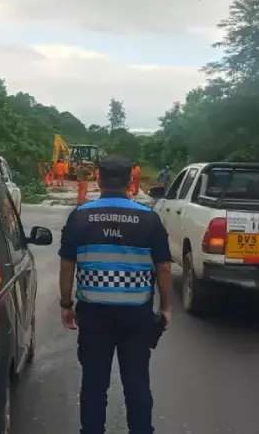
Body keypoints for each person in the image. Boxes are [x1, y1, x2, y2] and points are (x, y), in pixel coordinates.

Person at [58, 155, 173, 434]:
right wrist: (166, 307)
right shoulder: (148, 218)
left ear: (98, 178)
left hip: (93, 313)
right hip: (136, 313)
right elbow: (164, 267)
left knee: (94, 381)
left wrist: (66, 304)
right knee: (136, 381)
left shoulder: (80, 216)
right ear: (129, 181)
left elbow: (67, 264)